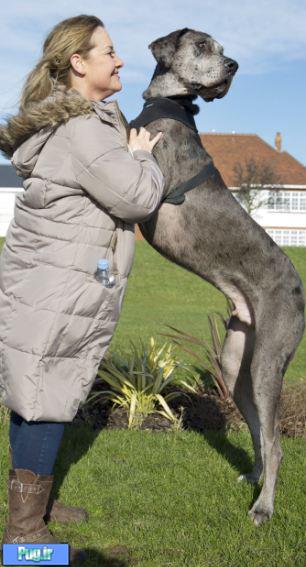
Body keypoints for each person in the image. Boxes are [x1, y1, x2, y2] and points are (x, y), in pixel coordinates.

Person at [0, 14, 165, 564]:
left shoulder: (76, 123)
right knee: (48, 394)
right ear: (79, 63)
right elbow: (137, 198)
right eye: (110, 51)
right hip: (61, 281)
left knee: (34, 386)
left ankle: (33, 505)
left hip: (51, 276)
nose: (119, 60)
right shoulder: (83, 129)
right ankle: (24, 533)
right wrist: (142, 155)